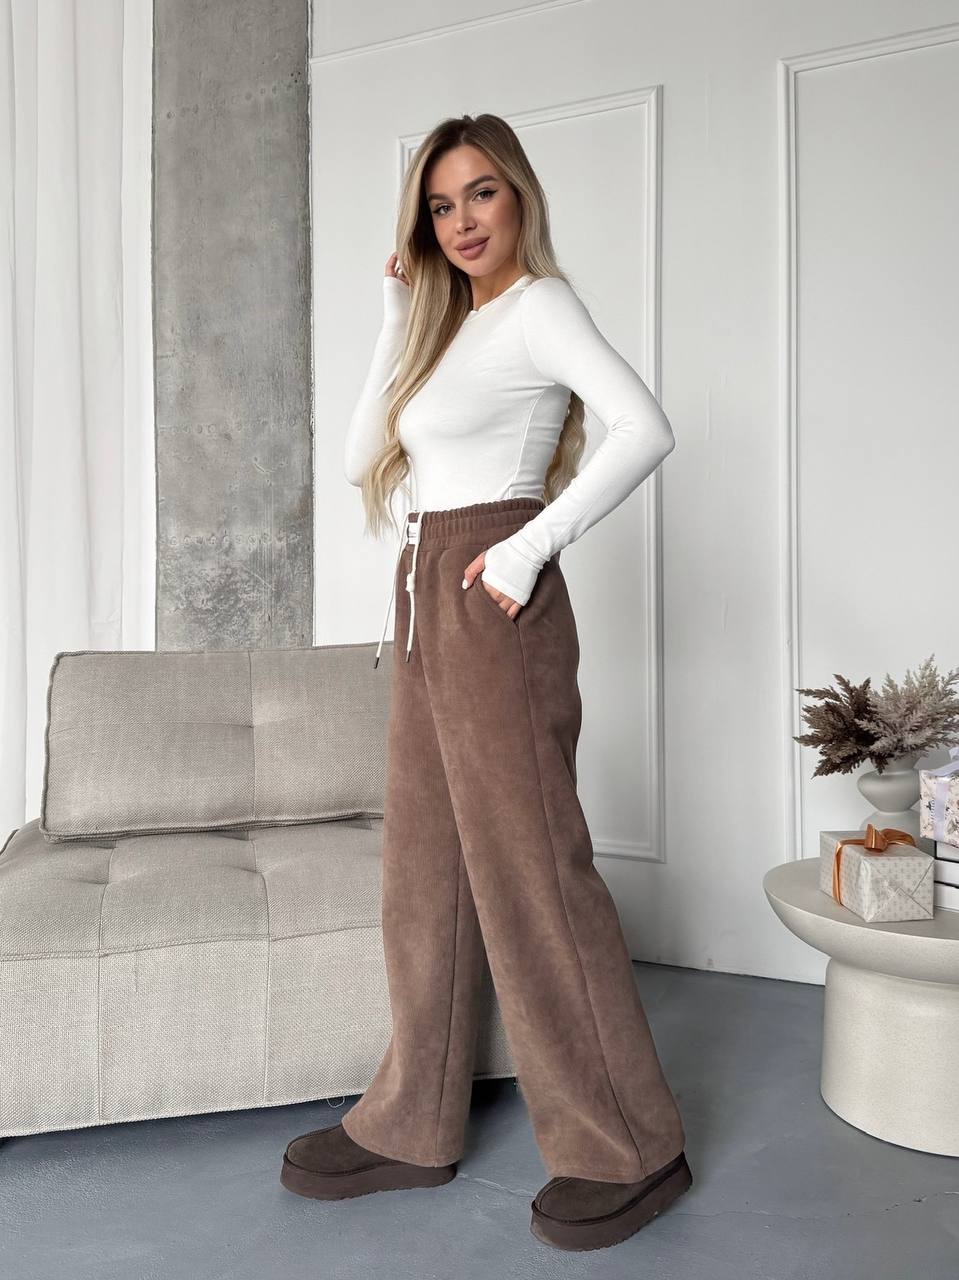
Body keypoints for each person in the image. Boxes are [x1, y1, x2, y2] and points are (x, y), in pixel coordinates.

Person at [280, 112, 692, 1253]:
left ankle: (627, 1145)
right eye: (440, 204)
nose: (461, 220)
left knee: (533, 873)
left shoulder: (540, 307)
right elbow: (362, 455)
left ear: (517, 196)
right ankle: (412, 1121)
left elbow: (644, 427)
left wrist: (526, 547)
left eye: (480, 194)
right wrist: (391, 316)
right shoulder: (447, 328)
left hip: (491, 594)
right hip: (423, 598)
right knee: (423, 873)